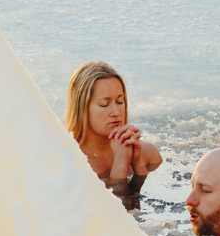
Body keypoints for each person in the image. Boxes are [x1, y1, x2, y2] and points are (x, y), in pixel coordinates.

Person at [63, 61, 162, 211]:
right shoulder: (71, 163)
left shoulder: (149, 154)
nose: (116, 112)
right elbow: (112, 218)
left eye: (120, 101)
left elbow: (139, 206)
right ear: (81, 108)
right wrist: (121, 163)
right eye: (104, 104)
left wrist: (138, 166)